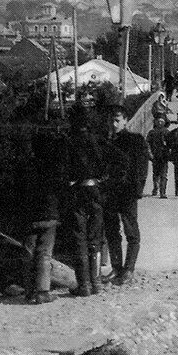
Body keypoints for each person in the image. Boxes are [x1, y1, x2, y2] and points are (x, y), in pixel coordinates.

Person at [104, 107, 151, 285]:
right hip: (111, 192)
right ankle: (116, 268)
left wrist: (138, 189)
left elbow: (142, 167)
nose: (114, 124)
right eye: (111, 120)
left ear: (125, 120)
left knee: (131, 230)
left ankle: (129, 269)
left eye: (117, 120)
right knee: (112, 231)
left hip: (128, 192)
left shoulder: (135, 140)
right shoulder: (108, 141)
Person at [63, 104, 105, 296]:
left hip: (78, 189)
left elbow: (67, 169)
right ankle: (96, 282)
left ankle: (84, 285)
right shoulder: (94, 140)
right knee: (94, 236)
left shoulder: (70, 141)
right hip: (94, 188)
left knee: (79, 235)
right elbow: (104, 162)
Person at [24, 124, 66, 305]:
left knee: (28, 252)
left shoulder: (26, 166)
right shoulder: (54, 166)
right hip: (49, 215)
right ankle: (42, 292)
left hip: (30, 215)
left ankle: (28, 291)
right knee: (44, 254)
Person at [147, 116, 171, 199]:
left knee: (164, 175)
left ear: (164, 122)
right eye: (158, 121)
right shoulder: (152, 132)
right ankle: (156, 187)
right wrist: (150, 154)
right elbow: (147, 144)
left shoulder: (167, 132)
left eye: (162, 121)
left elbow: (171, 144)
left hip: (164, 156)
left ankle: (162, 192)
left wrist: (169, 153)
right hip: (155, 156)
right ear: (155, 122)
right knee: (156, 173)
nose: (160, 123)